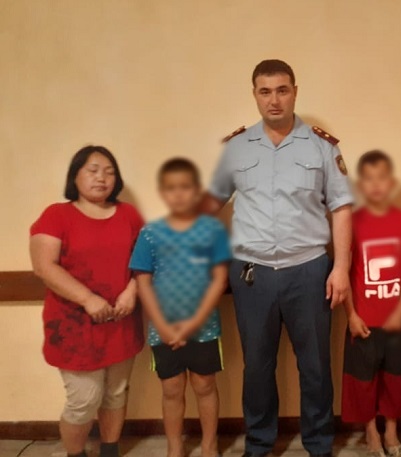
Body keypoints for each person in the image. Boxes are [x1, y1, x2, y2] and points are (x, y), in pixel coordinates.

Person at [199, 59, 354, 457]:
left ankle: (319, 444)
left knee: (315, 366)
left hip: (309, 270)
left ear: (295, 92)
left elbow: (341, 208)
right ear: (254, 95)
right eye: (265, 91)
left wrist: (340, 267)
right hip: (252, 273)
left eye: (282, 90)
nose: (274, 100)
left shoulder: (322, 146)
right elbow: (210, 204)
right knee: (257, 367)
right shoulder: (236, 148)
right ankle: (259, 443)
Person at [29, 146, 144, 457]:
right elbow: (43, 266)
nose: (101, 177)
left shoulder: (129, 215)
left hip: (121, 321)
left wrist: (133, 289)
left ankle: (110, 449)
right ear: (75, 176)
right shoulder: (56, 215)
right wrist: (88, 298)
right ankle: (75, 453)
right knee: (83, 399)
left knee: (116, 393)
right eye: (92, 170)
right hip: (74, 326)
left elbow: (148, 258)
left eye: (109, 172)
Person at [129, 158, 231, 457]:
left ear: (197, 191)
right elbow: (143, 282)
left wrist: (193, 323)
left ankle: (210, 444)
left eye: (185, 187)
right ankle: (175, 446)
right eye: (171, 188)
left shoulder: (212, 232)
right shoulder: (150, 233)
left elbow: (219, 280)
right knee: (171, 389)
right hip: (163, 331)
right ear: (163, 192)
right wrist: (162, 325)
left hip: (204, 328)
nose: (179, 194)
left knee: (205, 386)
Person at [341, 151, 401, 457]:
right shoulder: (352, 222)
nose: (375, 185)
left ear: (391, 182)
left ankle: (391, 431)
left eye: (381, 178)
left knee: (395, 379)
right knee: (363, 381)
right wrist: (351, 315)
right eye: (368, 179)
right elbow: (344, 272)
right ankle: (371, 432)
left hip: (396, 321)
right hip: (364, 320)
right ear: (361, 185)